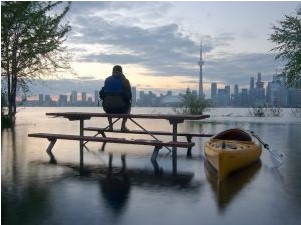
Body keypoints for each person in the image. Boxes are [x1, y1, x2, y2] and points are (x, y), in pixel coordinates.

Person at [99, 65, 132, 131]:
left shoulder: (107, 80)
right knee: (129, 104)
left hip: (108, 109)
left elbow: (102, 95)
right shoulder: (125, 81)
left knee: (108, 103)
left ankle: (111, 126)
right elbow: (129, 96)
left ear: (112, 71)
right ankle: (123, 126)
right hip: (121, 108)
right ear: (121, 72)